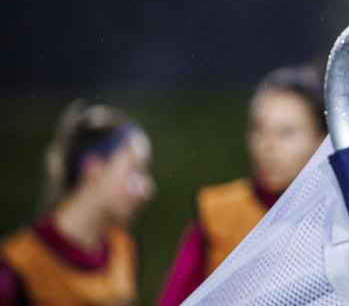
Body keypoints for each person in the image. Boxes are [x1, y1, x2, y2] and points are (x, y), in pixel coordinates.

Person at [158, 64, 326, 305]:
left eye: (286, 133)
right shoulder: (218, 214)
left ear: (321, 140)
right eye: (259, 129)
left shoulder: (341, 217)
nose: (268, 145)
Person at [0, 101, 155, 306]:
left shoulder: (122, 250)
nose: (147, 188)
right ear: (94, 170)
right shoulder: (18, 267)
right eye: (134, 170)